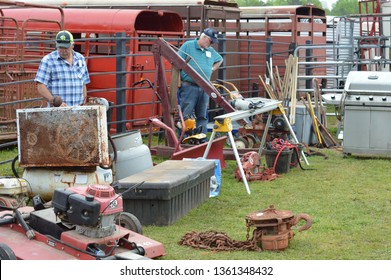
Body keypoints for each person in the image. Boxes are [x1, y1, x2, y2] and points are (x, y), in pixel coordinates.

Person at [177, 28, 223, 135]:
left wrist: (211, 69)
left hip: (204, 87)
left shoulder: (210, 50)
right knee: (186, 113)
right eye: (210, 41)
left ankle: (201, 137)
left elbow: (220, 59)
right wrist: (178, 82)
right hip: (189, 86)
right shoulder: (188, 46)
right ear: (204, 38)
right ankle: (184, 139)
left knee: (202, 115)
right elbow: (176, 62)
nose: (211, 44)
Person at [35, 30, 90, 107]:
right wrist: (54, 101)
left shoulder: (80, 59)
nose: (63, 51)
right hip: (57, 111)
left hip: (78, 109)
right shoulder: (48, 60)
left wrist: (83, 101)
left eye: (66, 48)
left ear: (72, 45)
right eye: (60, 47)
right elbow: (41, 86)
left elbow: (83, 84)